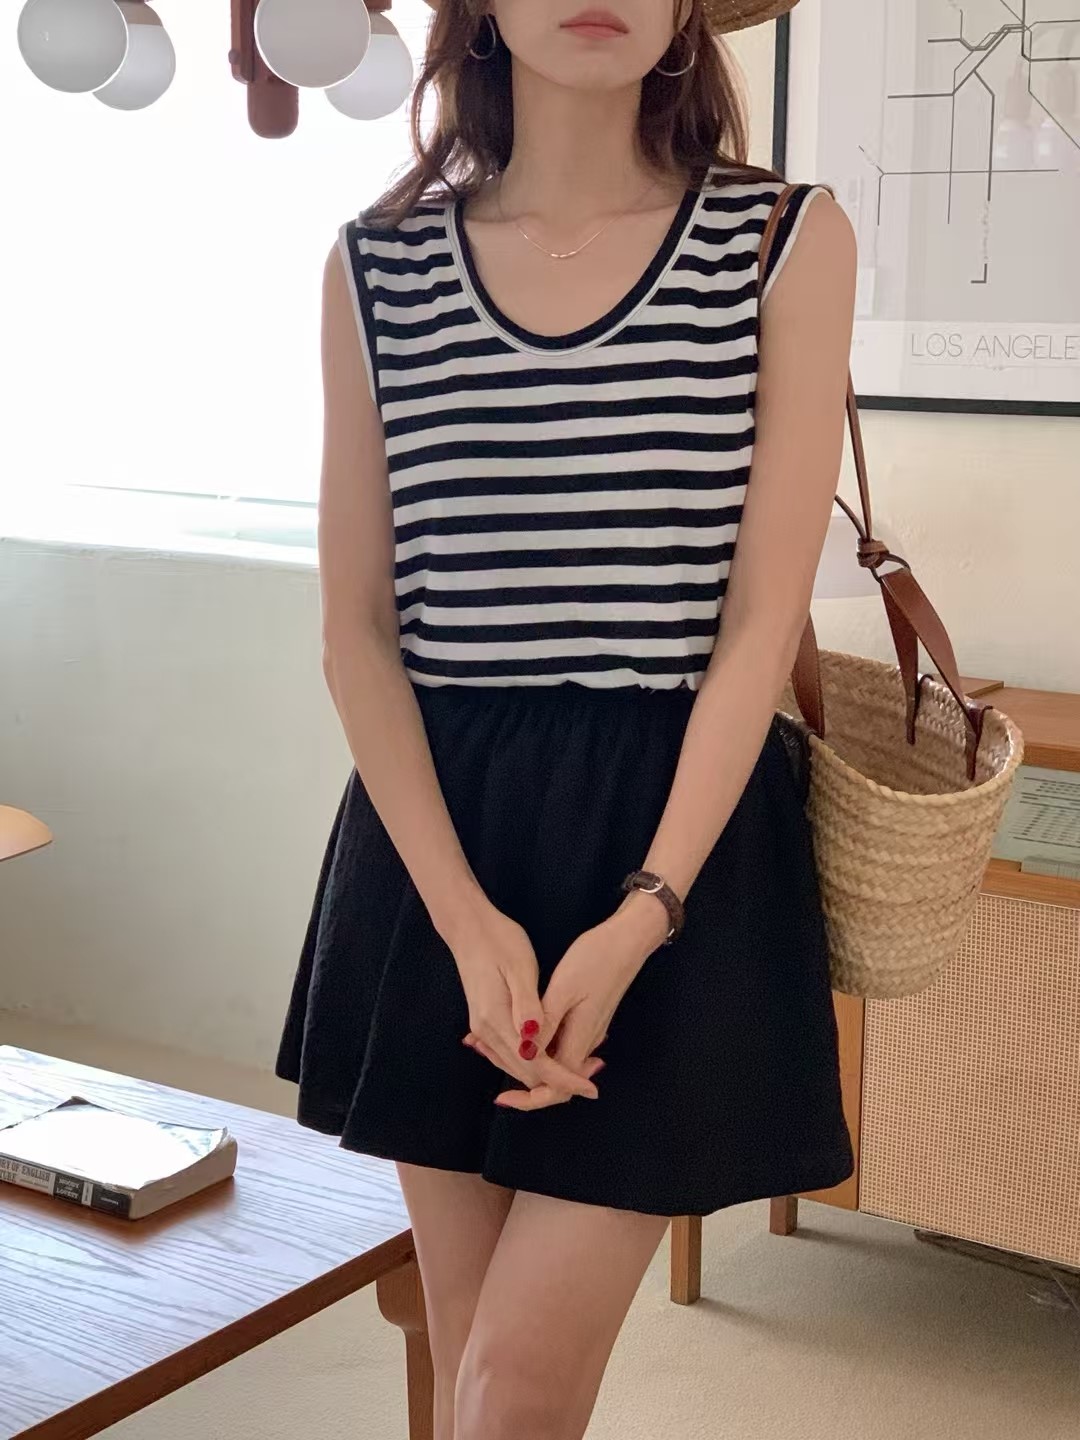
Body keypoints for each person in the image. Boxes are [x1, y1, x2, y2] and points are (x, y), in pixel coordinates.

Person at [277, 1, 857, 1436]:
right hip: (442, 843)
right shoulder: (377, 265)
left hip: (675, 841)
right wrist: (465, 924)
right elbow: (358, 631)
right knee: (467, 1343)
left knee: (517, 1381)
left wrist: (645, 912)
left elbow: (757, 626)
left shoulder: (781, 241)